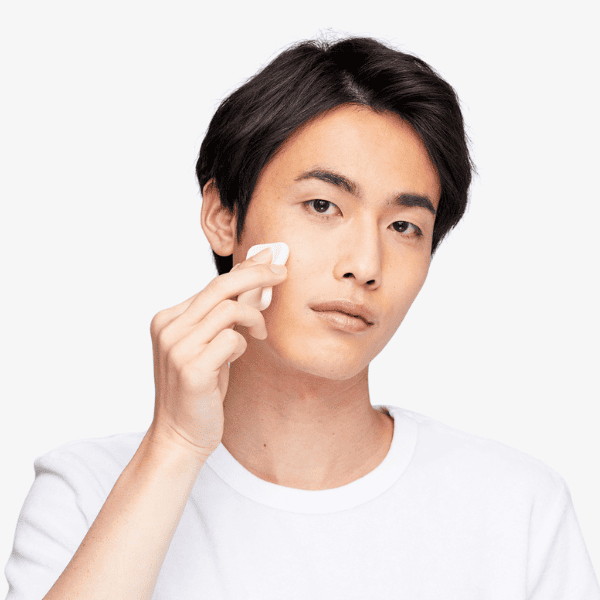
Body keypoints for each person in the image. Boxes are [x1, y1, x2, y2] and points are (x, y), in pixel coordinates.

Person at [4, 36, 599, 600]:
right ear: (223, 216)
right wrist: (174, 446)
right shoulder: (88, 492)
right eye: (322, 205)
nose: (365, 266)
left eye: (404, 227)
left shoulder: (517, 507)